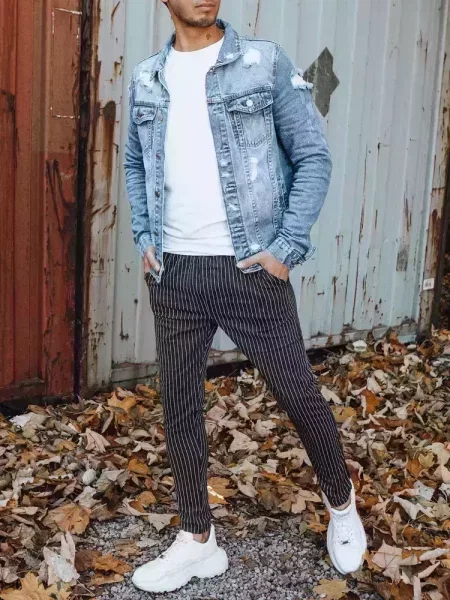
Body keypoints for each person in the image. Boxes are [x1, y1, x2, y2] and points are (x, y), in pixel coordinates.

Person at [124, 0, 367, 593]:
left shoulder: (264, 64)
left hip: (250, 270)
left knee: (297, 392)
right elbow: (134, 163)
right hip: (175, 273)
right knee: (179, 405)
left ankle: (341, 503)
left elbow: (313, 156)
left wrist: (286, 248)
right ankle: (197, 540)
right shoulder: (147, 79)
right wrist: (145, 238)